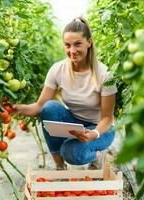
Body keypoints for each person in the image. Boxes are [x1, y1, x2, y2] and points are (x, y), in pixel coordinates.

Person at [13, 17, 117, 170]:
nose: (72, 51)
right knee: (49, 107)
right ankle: (59, 166)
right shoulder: (58, 69)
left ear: (89, 42)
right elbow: (39, 107)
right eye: (67, 45)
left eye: (77, 44)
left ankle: (96, 154)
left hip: (101, 129)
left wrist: (93, 134)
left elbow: (108, 118)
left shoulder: (104, 75)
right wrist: (16, 109)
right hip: (76, 124)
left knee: (73, 153)